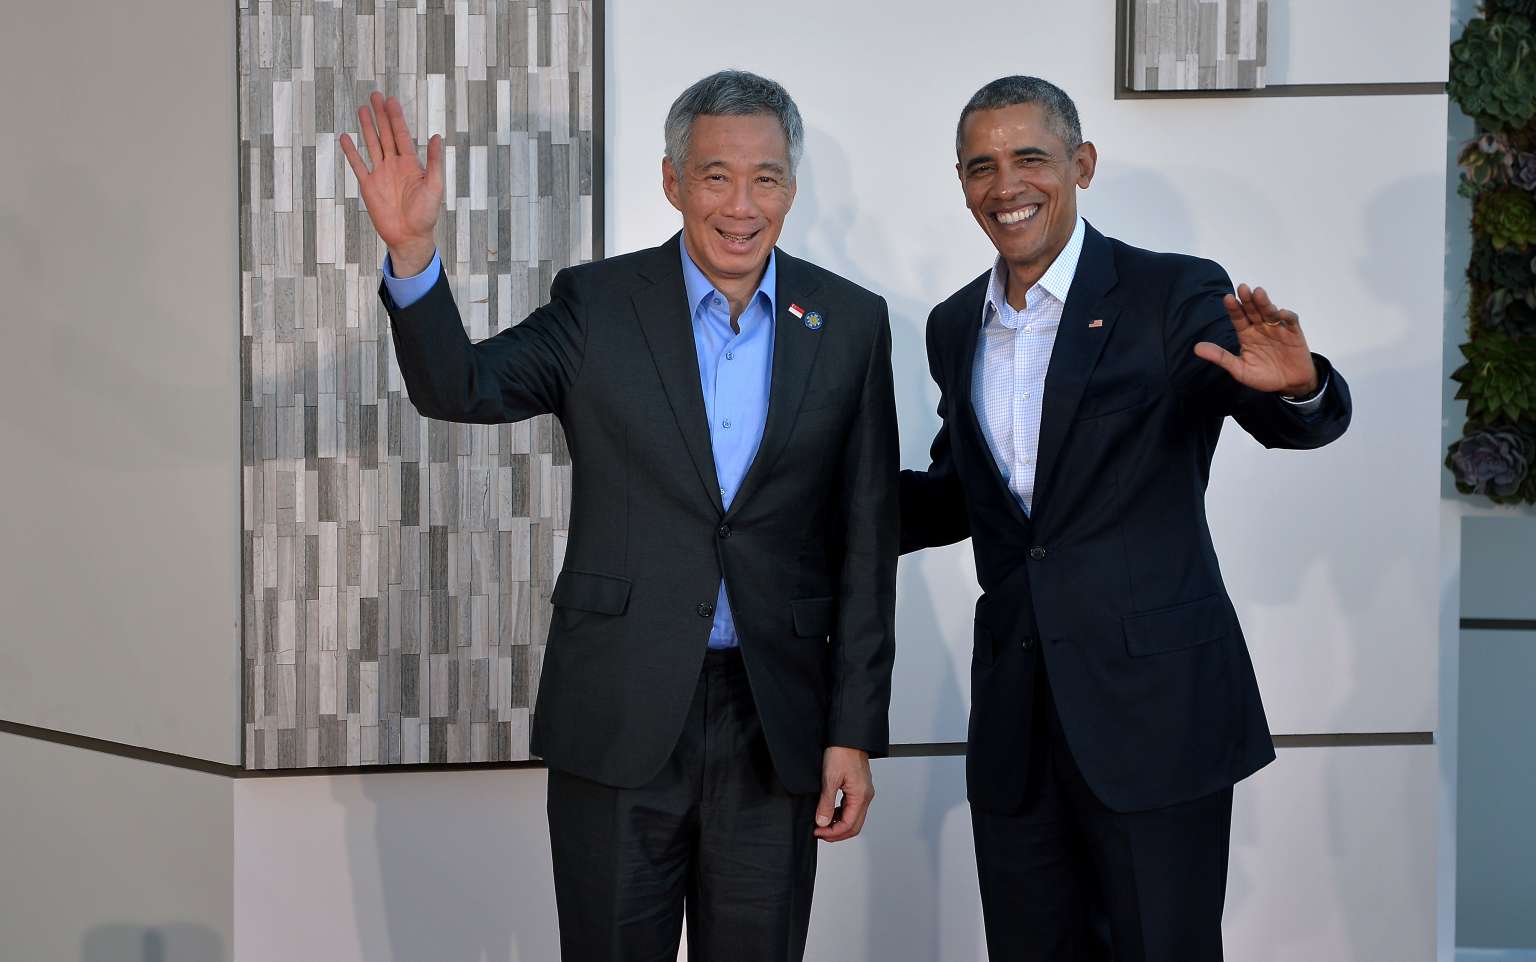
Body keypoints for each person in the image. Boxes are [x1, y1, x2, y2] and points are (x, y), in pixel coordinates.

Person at [340, 70, 898, 962]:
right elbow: (460, 387)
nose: (742, 204)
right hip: (619, 711)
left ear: (792, 186)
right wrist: (413, 255)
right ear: (673, 181)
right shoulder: (598, 305)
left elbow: (868, 540)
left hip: (777, 723)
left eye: (767, 178)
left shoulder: (852, 323)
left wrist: (853, 732)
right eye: (716, 175)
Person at [899, 75, 1353, 961]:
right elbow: (964, 497)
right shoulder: (954, 324)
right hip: (1017, 724)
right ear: (961, 183)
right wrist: (813, 501)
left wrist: (1303, 387)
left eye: (1030, 157)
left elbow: (1278, 415)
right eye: (981, 166)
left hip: (1156, 716)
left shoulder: (1172, 294)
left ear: (1083, 164)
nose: (1006, 185)